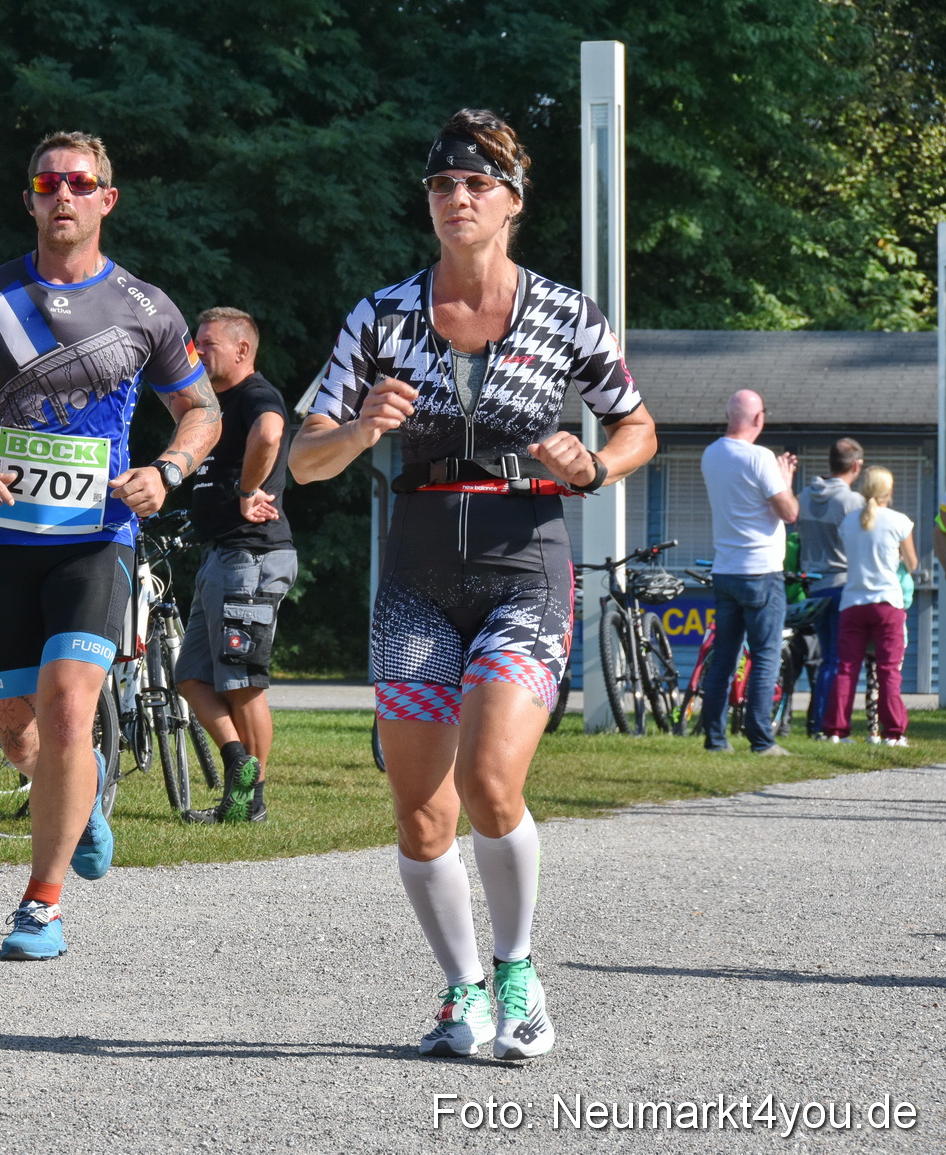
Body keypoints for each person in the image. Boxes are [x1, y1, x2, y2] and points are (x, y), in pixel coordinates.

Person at [289, 109, 654, 1061]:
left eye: (478, 185)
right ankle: (462, 992)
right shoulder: (382, 316)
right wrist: (362, 428)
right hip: (416, 576)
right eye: (443, 186)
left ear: (513, 204)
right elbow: (304, 461)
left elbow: (639, 427)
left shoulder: (566, 313)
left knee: (492, 782)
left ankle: (520, 974)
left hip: (523, 564)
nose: (458, 198)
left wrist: (594, 465)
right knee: (420, 810)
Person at [0, 129, 220, 961]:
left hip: (100, 536)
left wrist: (169, 468)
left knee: (68, 706)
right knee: (20, 734)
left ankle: (40, 905)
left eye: (80, 183)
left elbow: (202, 410)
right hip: (2, 536)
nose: (63, 195)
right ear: (29, 199)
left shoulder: (145, 307)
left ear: (106, 199)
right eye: (48, 182)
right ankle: (80, 800)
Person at [174, 306, 296, 824]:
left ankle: (251, 803)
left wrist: (249, 490)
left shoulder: (255, 395)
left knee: (243, 682)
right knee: (192, 678)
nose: (198, 352)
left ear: (243, 350)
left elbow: (269, 433)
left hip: (251, 555)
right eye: (196, 343)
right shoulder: (210, 404)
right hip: (220, 555)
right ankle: (236, 760)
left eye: (209, 344)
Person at [699, 390, 798, 756]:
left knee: (724, 656)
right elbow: (788, 512)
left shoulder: (711, 454)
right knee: (766, 654)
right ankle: (760, 739)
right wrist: (784, 479)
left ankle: (715, 739)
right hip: (761, 572)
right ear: (759, 419)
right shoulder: (760, 457)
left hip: (725, 569)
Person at [823, 466, 917, 745]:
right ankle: (893, 733)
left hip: (853, 602)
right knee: (888, 670)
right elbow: (912, 564)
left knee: (846, 668)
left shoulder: (849, 522)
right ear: (888, 491)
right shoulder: (900, 521)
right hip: (887, 603)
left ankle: (835, 731)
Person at [796, 438, 864, 738]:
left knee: (825, 658)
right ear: (856, 465)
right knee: (838, 660)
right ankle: (827, 725)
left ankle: (817, 723)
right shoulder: (852, 502)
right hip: (842, 586)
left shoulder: (804, 496)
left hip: (813, 586)